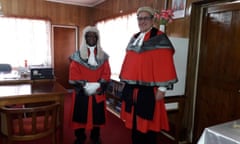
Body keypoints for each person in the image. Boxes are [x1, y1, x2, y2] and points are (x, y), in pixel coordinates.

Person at [119, 6, 178, 144]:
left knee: (148, 126)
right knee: (135, 125)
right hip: (132, 90)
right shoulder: (134, 37)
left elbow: (165, 63)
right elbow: (129, 61)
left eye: (146, 18)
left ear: (152, 20)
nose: (142, 21)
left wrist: (163, 89)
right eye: (140, 18)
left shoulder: (159, 37)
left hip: (149, 91)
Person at [69, 26, 111, 144]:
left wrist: (100, 85)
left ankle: (95, 136)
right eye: (89, 35)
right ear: (85, 38)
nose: (91, 38)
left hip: (97, 91)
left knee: (97, 115)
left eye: (94, 35)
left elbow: (106, 72)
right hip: (82, 91)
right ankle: (80, 136)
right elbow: (74, 73)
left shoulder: (103, 56)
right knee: (80, 114)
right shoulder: (77, 56)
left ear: (97, 38)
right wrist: (86, 87)